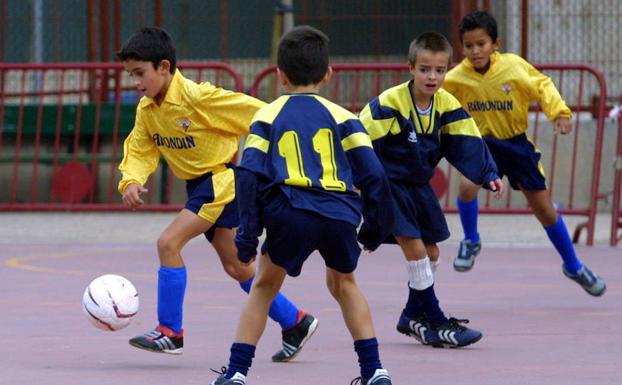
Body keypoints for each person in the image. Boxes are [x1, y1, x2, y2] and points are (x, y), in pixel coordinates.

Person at [116, 27, 318, 360]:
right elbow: (139, 148)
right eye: (131, 75)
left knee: (168, 243)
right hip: (200, 187)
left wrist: (298, 138)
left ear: (164, 67)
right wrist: (131, 181)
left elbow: (258, 113)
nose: (136, 82)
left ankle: (170, 331)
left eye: (140, 73)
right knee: (238, 268)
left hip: (219, 181)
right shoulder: (147, 110)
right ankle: (295, 322)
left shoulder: (199, 98)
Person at [210, 25, 394, 385]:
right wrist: (374, 228)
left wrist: (248, 237)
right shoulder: (345, 116)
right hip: (340, 212)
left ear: (279, 75)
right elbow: (375, 175)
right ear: (328, 73)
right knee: (345, 284)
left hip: (291, 212)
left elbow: (248, 176)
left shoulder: (267, 116)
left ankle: (236, 373)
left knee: (263, 287)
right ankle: (374, 370)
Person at [443, 10, 606, 296]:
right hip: (483, 145)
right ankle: (471, 240)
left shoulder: (513, 67)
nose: (475, 51)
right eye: (468, 46)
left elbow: (542, 85)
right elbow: (432, 96)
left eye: (481, 44)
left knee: (544, 210)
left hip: (516, 145)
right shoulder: (457, 77)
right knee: (467, 184)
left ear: (495, 43)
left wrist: (560, 113)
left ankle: (573, 265)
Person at [359, 31, 504, 348]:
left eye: (439, 70)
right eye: (425, 69)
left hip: (418, 187)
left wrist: (488, 172)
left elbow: (467, 141)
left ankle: (411, 315)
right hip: (389, 187)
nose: (432, 76)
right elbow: (357, 141)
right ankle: (436, 321)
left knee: (433, 252)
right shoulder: (388, 104)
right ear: (410, 68)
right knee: (417, 250)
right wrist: (357, 188)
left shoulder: (446, 104)